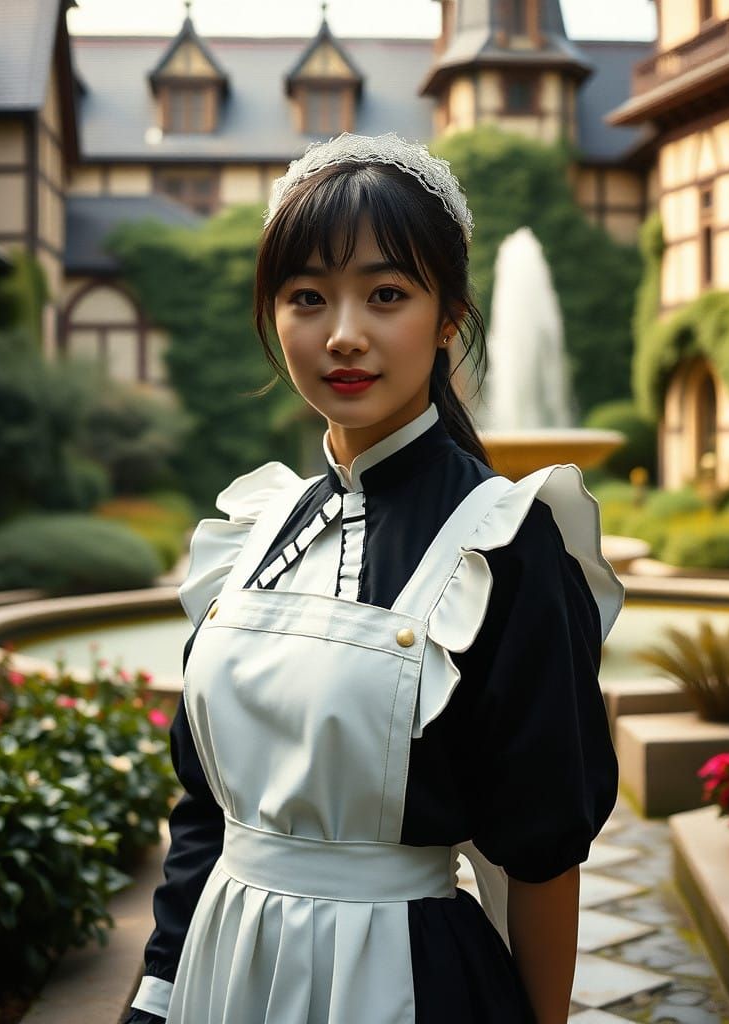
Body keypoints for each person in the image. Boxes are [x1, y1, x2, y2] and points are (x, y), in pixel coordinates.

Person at [123, 132, 625, 1024]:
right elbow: (205, 810)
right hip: (222, 973)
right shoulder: (252, 533)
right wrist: (156, 997)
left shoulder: (507, 543)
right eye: (307, 296)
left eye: (386, 294)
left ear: (446, 317)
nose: (344, 335)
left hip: (401, 982)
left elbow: (542, 851)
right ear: (272, 316)